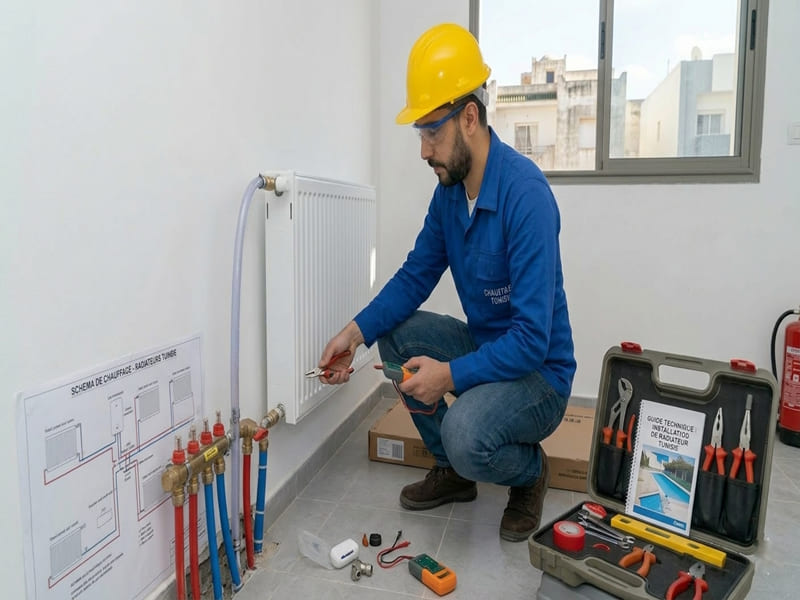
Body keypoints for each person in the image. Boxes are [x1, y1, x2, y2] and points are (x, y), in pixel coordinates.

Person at [315, 22, 576, 542]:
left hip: (539, 376)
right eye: (421, 133)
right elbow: (416, 275)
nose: (424, 149)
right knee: (396, 338)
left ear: (470, 118)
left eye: (432, 131)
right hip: (488, 349)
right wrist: (354, 333)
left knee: (464, 431)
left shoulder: (527, 197)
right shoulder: (450, 195)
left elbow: (530, 341)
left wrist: (449, 376)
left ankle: (530, 474)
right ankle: (454, 471)